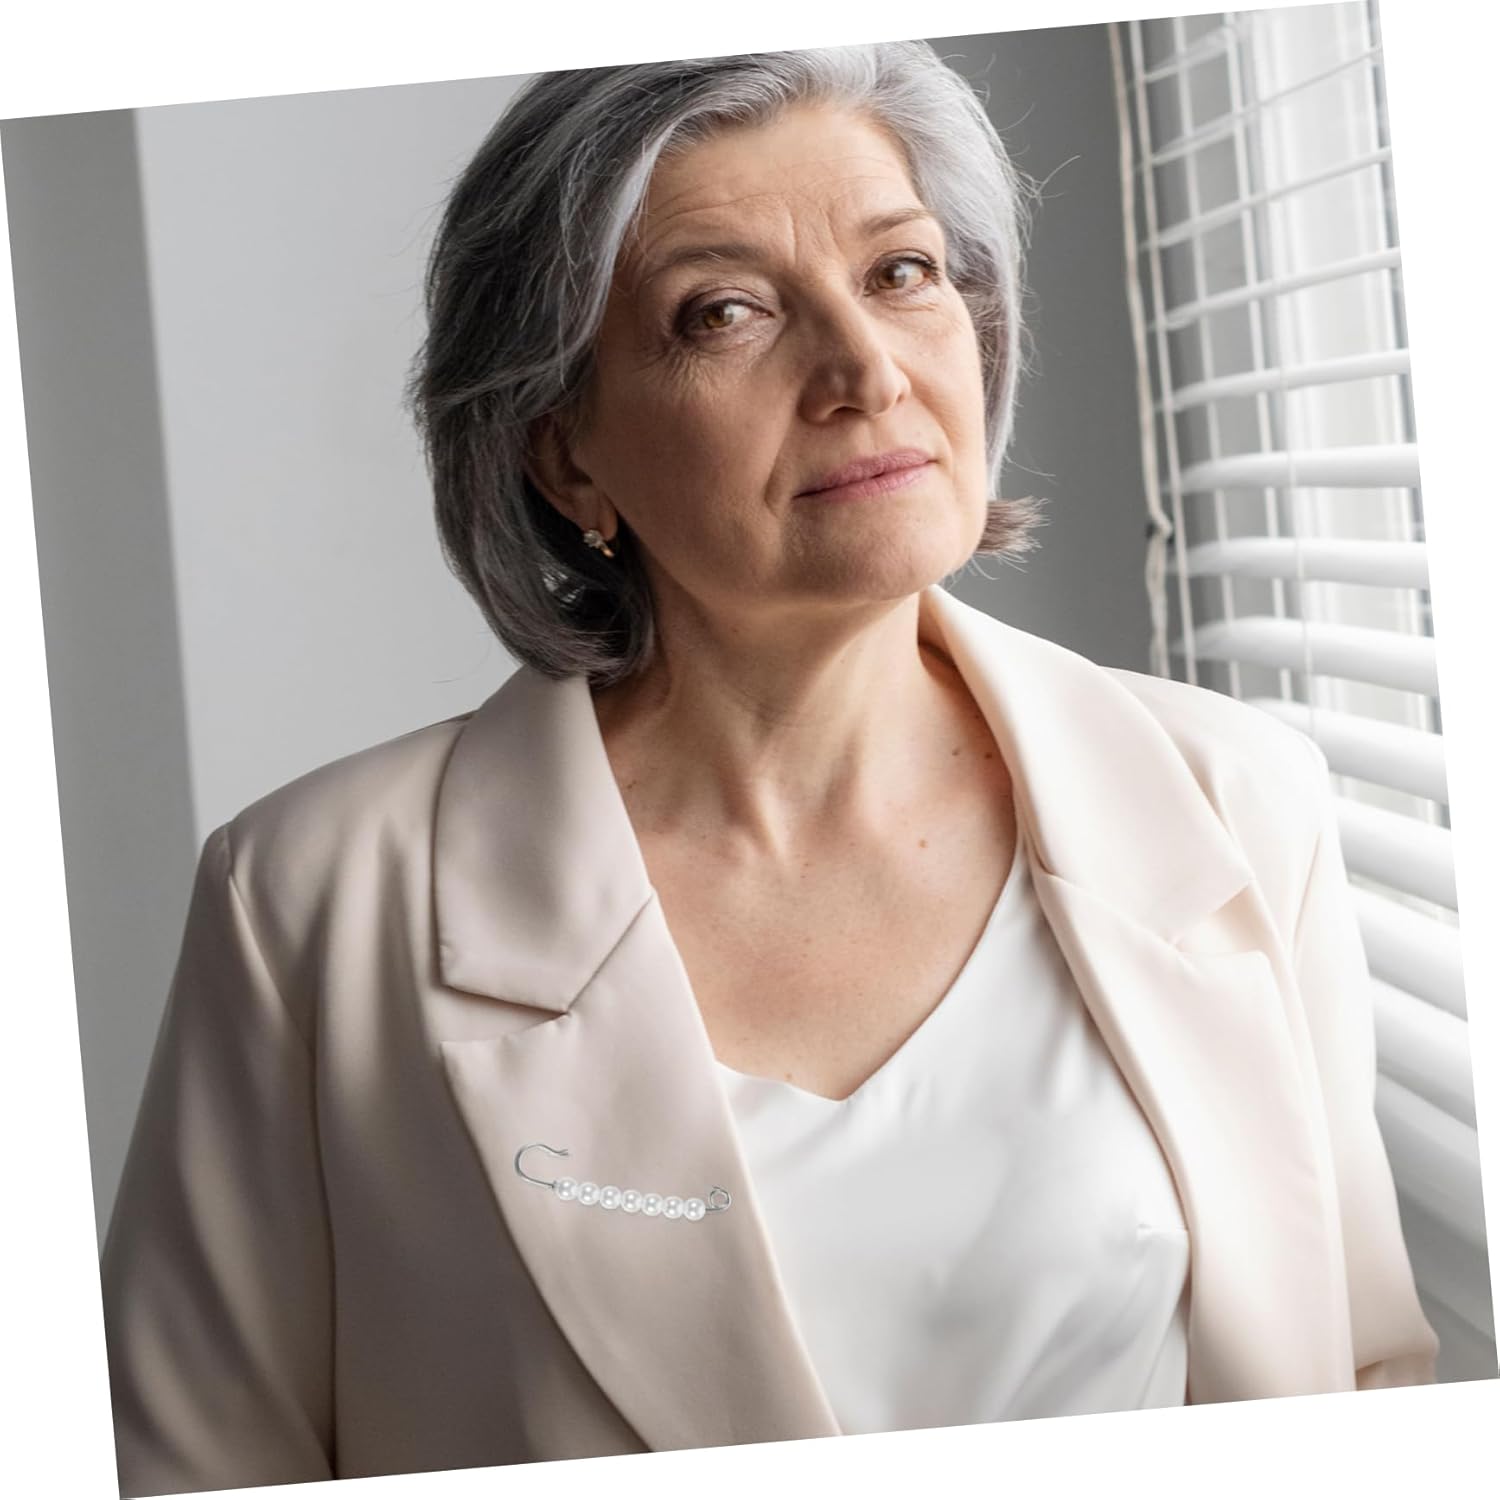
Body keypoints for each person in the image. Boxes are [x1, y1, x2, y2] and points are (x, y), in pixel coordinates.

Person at [100, 40, 1437, 1498]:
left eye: (903, 272)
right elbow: (196, 1460)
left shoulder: (1240, 799)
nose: (866, 371)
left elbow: (1361, 1381)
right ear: (566, 455)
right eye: (724, 312)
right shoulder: (308, 901)